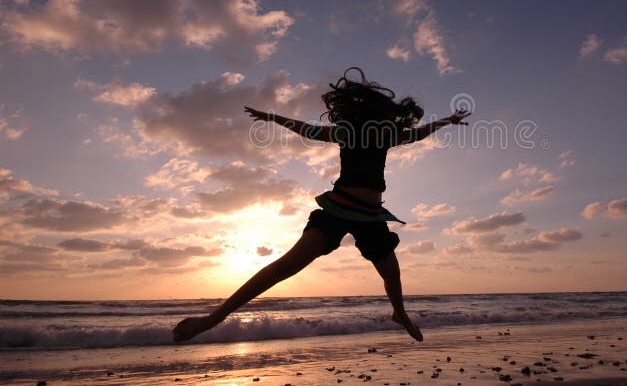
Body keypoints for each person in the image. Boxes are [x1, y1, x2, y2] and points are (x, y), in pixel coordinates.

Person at [172, 67, 470, 343]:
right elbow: (305, 130)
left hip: (370, 216)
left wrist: (449, 121)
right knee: (286, 266)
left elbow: (419, 134)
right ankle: (213, 318)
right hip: (338, 209)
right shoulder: (347, 132)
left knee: (391, 273)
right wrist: (274, 118)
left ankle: (400, 314)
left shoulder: (385, 133)